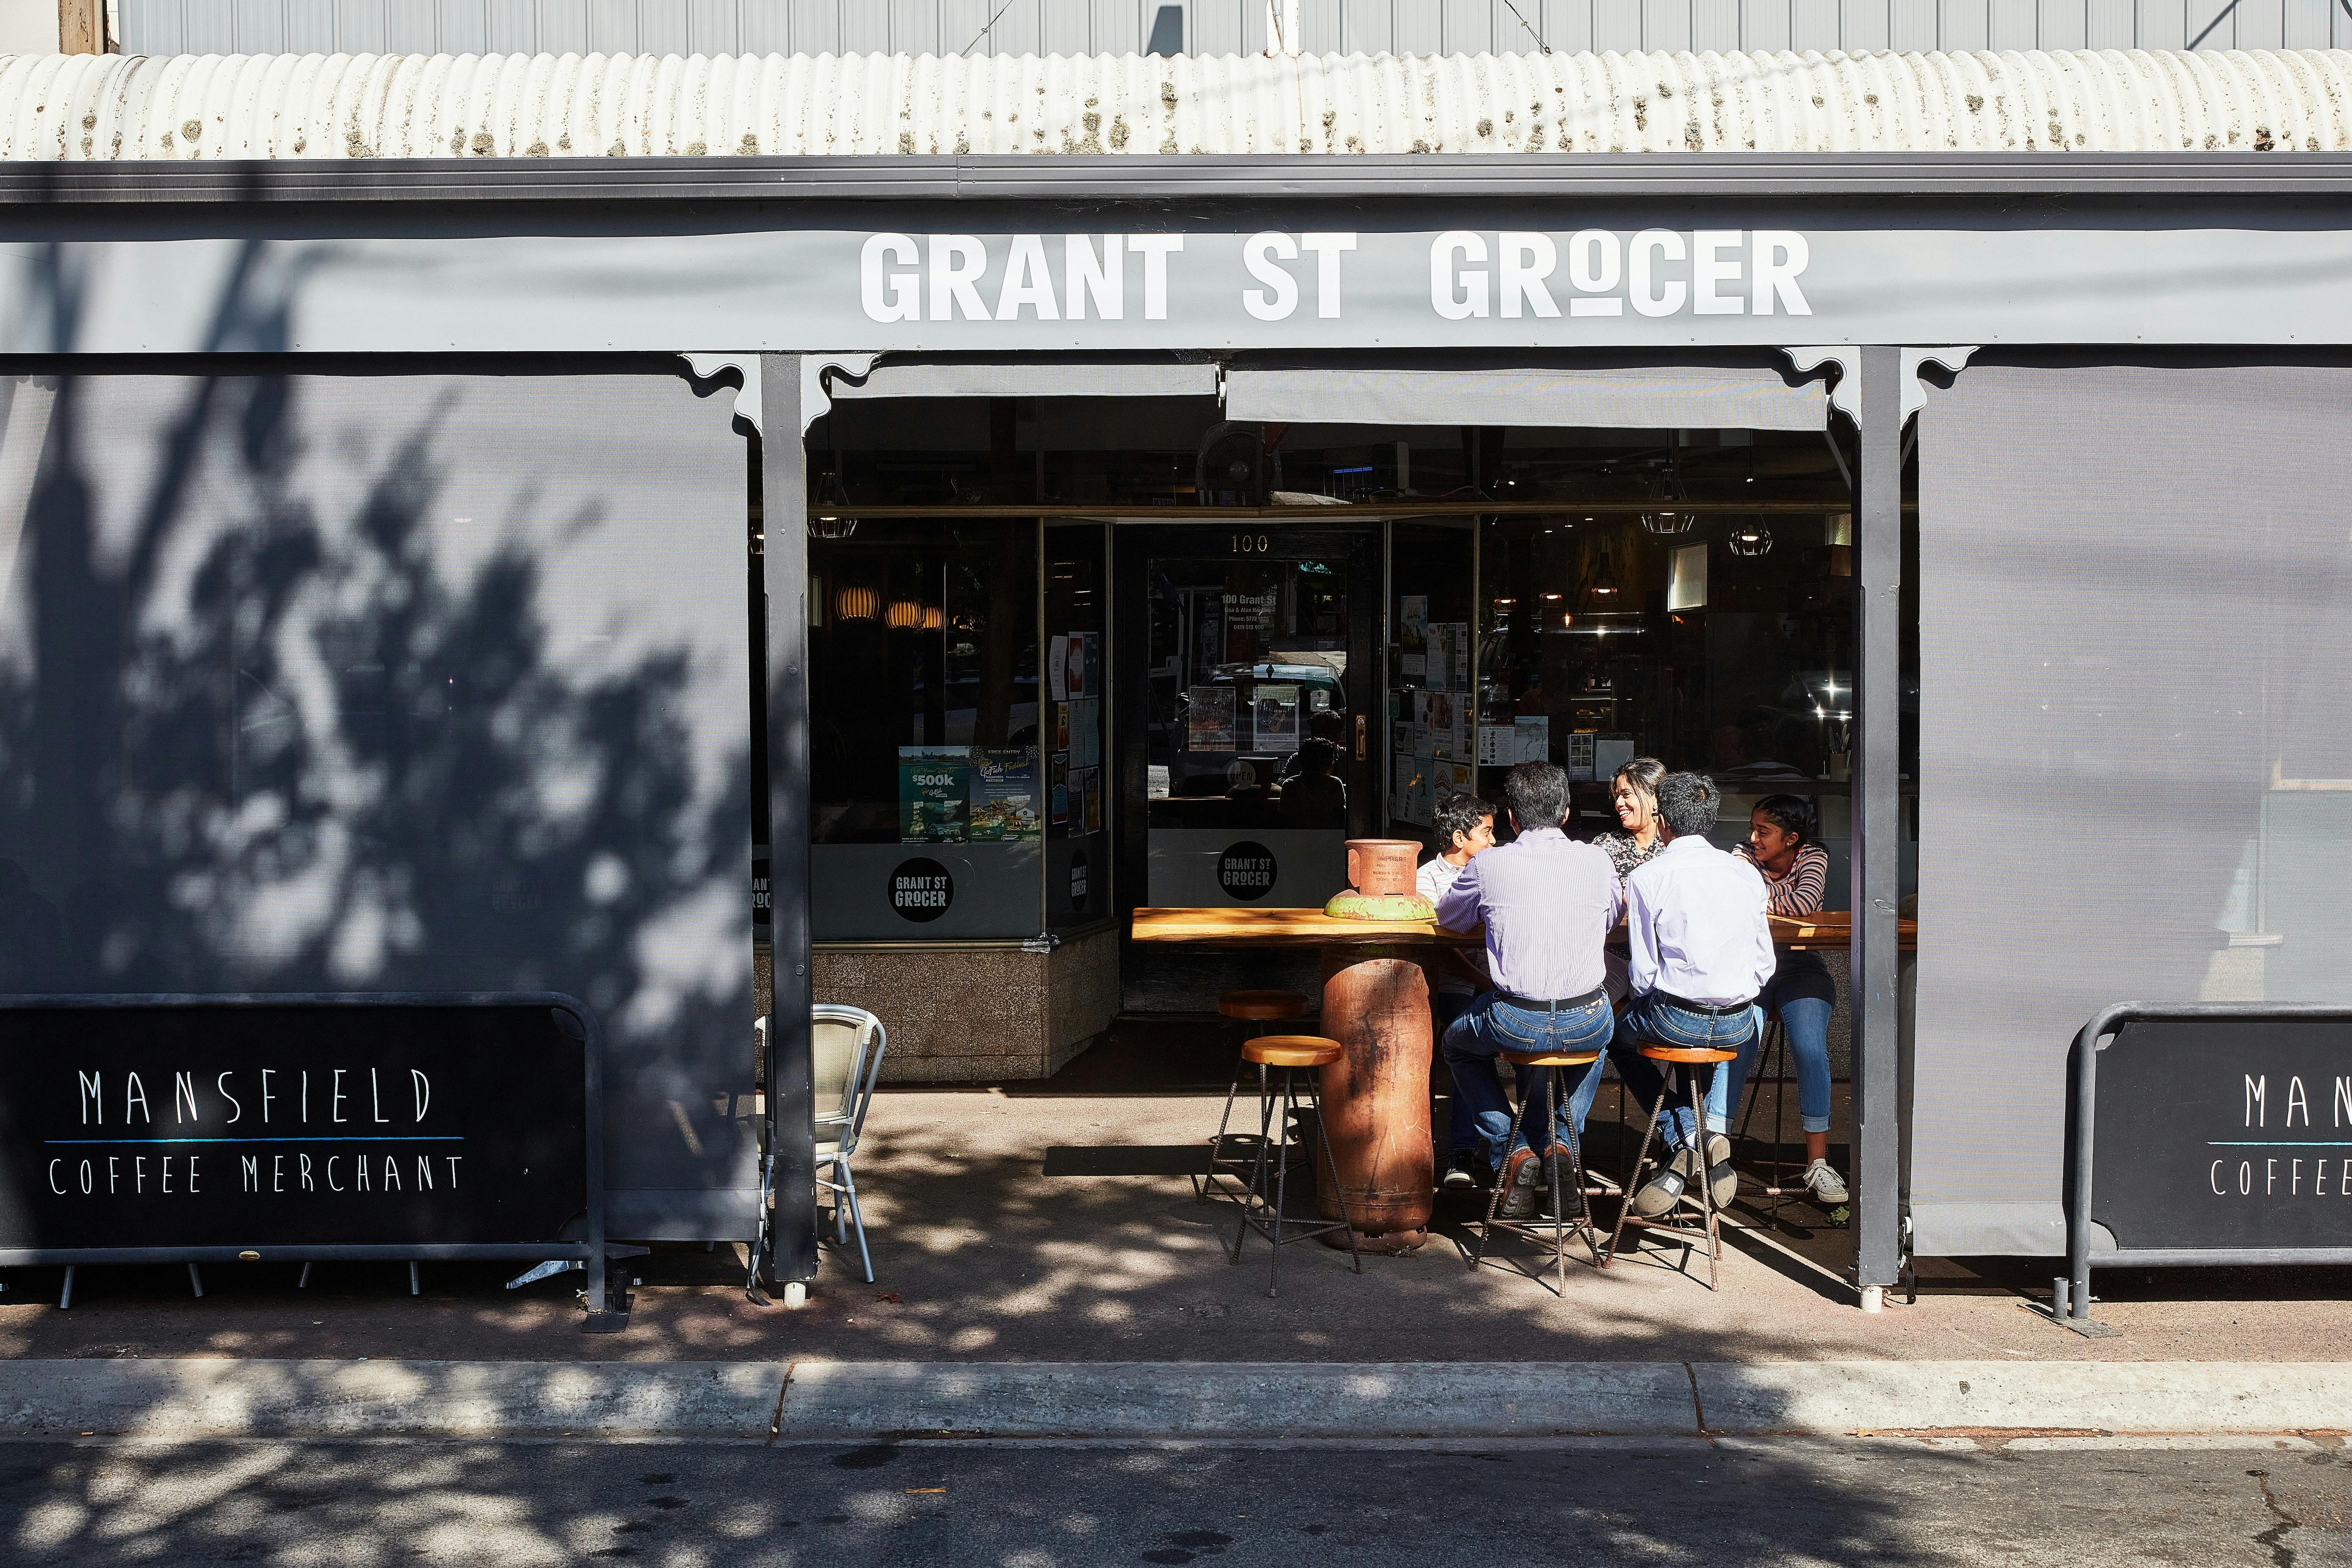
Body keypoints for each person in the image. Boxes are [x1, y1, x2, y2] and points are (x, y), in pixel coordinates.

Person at [1434, 762, 1621, 1216]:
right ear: (1565, 813)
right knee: (1595, 1041)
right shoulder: (1597, 859)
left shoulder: (1491, 862)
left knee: (1457, 1045)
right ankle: (1559, 1146)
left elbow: (1450, 920)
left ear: (1513, 819)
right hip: (1588, 1015)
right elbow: (1612, 917)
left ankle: (1513, 1147)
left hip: (1516, 1017)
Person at [1611, 771, 1775, 1219]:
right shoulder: (1746, 875)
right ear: (1712, 819)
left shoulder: (1649, 876)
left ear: (1662, 820)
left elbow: (1643, 975)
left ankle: (1682, 1135)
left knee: (1614, 1036)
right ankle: (1701, 1137)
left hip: (1675, 1018)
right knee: (1693, 1048)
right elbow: (1765, 965)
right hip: (1739, 1023)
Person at [1733, 794, 1847, 1204]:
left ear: (1793, 839)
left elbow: (1804, 904)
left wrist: (1756, 901)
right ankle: (1715, 1153)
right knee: (1737, 1043)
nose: (1753, 838)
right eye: (1753, 828)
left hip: (1802, 967)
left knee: (1811, 1048)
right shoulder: (1741, 853)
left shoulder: (1814, 855)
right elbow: (1735, 898)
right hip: (1751, 968)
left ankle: (1818, 1163)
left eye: (1764, 831)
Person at [1417, 792, 1497, 1190]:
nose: (1493, 841)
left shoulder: (1496, 869)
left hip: (1495, 982)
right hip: (1456, 986)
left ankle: (1522, 1147)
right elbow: (1441, 949)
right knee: (1471, 1048)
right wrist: (1484, 981)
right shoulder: (1426, 879)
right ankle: (1462, 1151)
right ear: (1458, 837)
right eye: (1486, 832)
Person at [1590, 757, 1668, 880]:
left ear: (1655, 798)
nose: (1619, 803)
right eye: (1617, 796)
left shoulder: (1673, 846)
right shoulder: (1605, 845)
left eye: (1626, 794)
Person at [1276, 736, 1346, 826]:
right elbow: (1340, 818)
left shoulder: (1290, 784)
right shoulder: (1334, 784)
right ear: (1328, 763)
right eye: (1332, 759)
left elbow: (1284, 818)